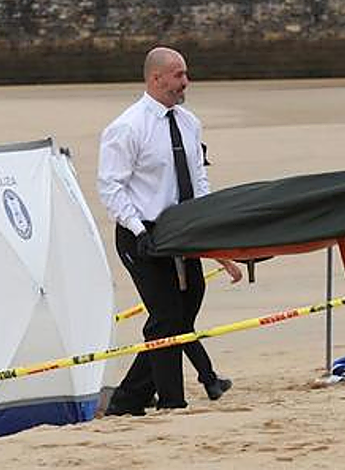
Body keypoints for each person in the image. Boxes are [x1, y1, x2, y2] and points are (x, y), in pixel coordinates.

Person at [98, 47, 235, 415]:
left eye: (185, 74)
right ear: (155, 78)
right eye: (178, 75)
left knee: (182, 313)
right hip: (140, 233)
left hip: (184, 230)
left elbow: (198, 177)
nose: (185, 82)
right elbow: (111, 187)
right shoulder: (127, 126)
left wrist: (209, 223)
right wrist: (138, 230)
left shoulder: (190, 122)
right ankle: (172, 402)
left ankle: (128, 399)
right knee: (166, 316)